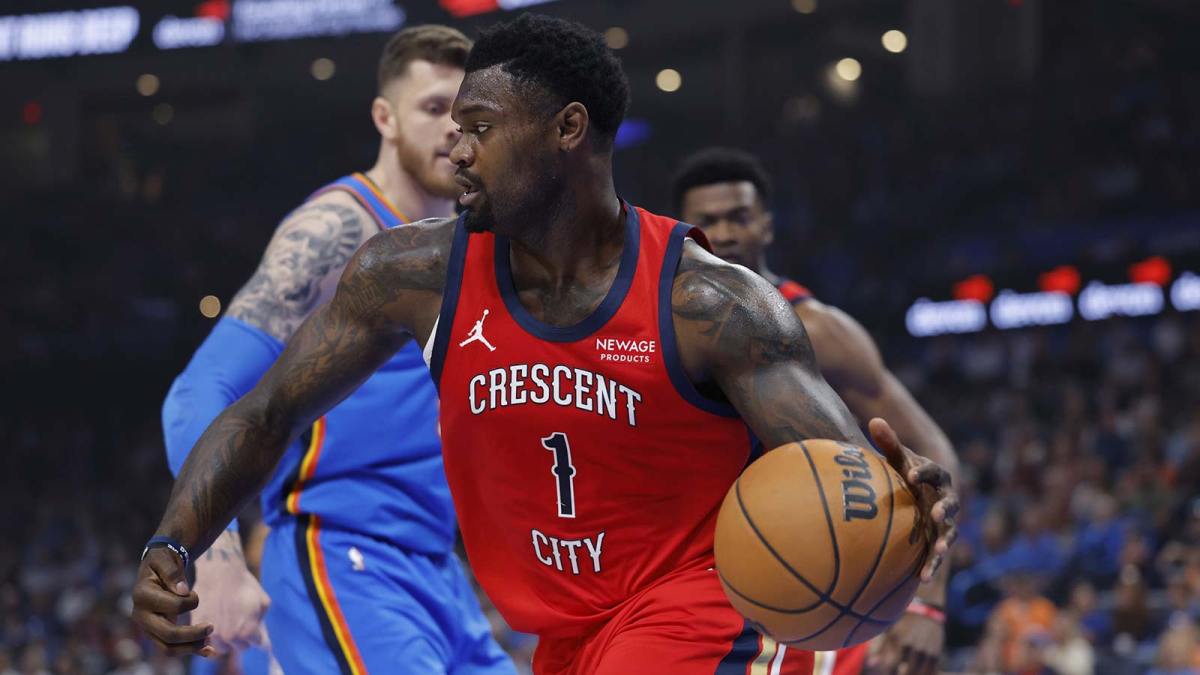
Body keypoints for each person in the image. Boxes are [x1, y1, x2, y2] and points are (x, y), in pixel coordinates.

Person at [133, 14, 958, 674]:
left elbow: (848, 487)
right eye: (452, 125)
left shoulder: (709, 303)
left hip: (702, 603)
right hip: (561, 633)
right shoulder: (409, 274)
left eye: (480, 126)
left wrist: (903, 514)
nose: (458, 147)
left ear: (567, 128)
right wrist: (177, 542)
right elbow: (268, 412)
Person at [158, 24, 513, 675]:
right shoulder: (336, 228)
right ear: (385, 116)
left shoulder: (476, 240)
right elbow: (198, 390)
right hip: (343, 557)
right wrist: (209, 551)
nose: (454, 131)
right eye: (434, 108)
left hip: (438, 571)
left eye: (471, 116)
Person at [671, 147, 961, 674]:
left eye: (739, 217)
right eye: (708, 221)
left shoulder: (822, 331)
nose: (727, 233)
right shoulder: (659, 325)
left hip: (806, 575)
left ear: (767, 225)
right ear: (683, 231)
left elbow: (933, 451)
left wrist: (927, 602)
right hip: (688, 584)